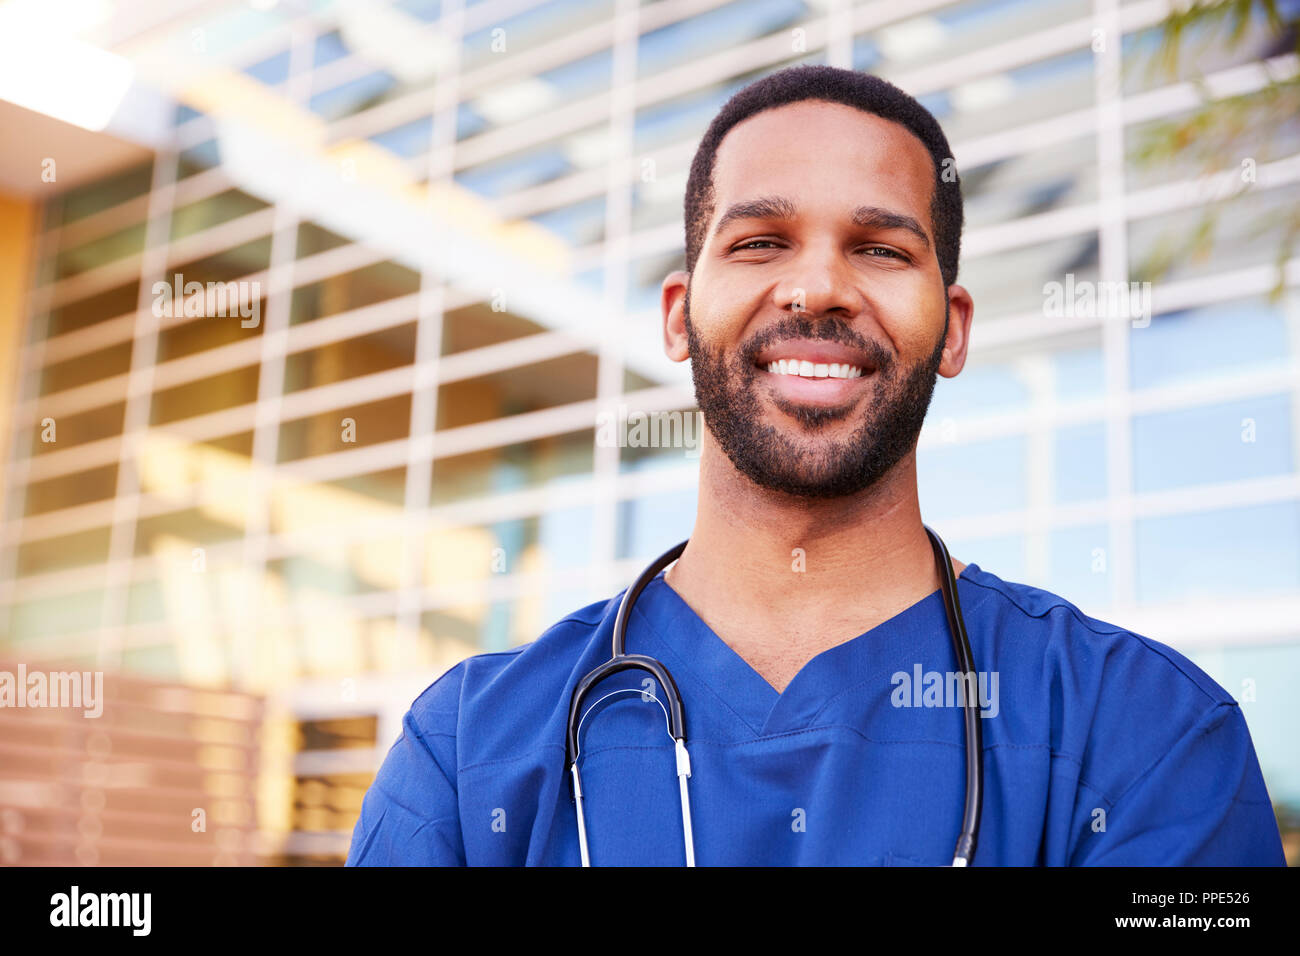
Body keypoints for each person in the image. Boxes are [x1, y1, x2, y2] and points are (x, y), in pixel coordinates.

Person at [346, 65, 1286, 866]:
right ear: (679, 315)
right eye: (760, 243)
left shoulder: (1146, 735)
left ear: (951, 329)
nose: (820, 288)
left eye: (880, 249)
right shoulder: (469, 752)